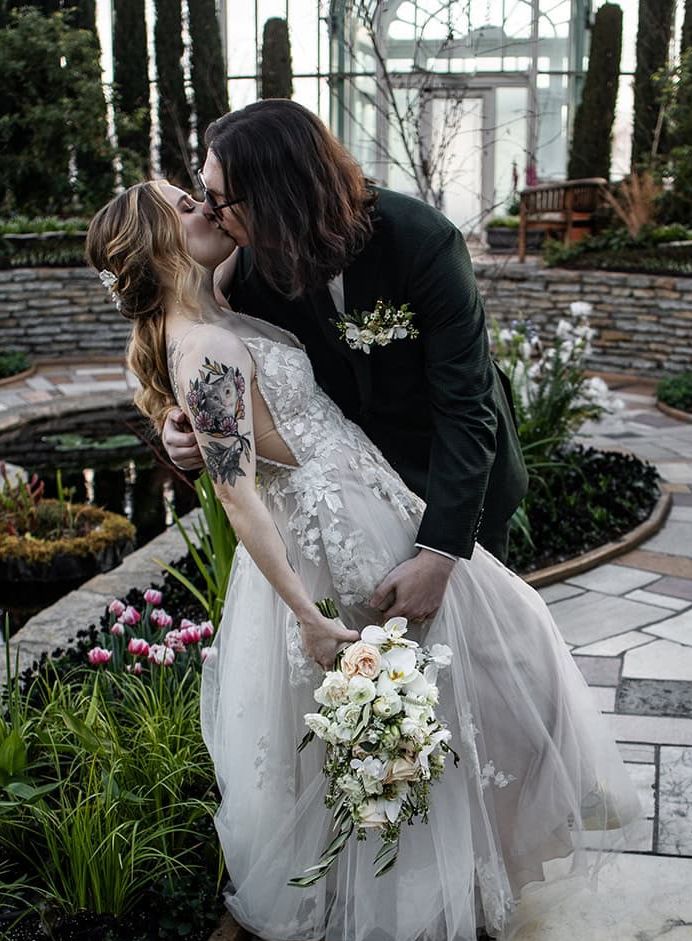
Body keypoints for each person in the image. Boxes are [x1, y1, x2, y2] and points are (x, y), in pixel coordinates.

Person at [86, 181, 641, 941]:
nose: (206, 206)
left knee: (483, 657)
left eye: (202, 191)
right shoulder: (201, 346)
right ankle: (423, 889)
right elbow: (241, 501)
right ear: (157, 244)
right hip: (335, 534)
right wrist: (307, 614)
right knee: (415, 696)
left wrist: (178, 423)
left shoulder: (218, 292)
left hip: (376, 497)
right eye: (185, 204)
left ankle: (482, 858)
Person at [160, 99, 528, 625]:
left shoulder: (424, 243)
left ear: (276, 195)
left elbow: (466, 409)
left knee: (484, 653)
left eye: (220, 200)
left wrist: (440, 555)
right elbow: (213, 359)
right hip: (360, 507)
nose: (211, 212)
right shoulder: (250, 265)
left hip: (453, 484)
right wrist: (181, 427)